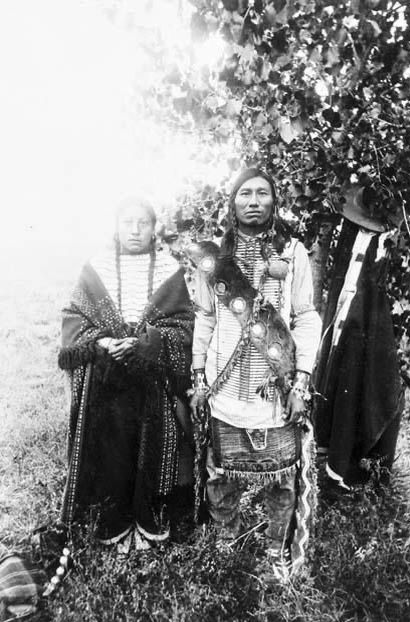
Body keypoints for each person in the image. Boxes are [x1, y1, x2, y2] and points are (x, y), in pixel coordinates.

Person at [190, 168, 321, 581]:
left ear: (273, 202)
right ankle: (225, 544)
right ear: (232, 204)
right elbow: (205, 319)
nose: (252, 201)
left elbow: (305, 317)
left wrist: (300, 380)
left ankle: (274, 551)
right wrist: (198, 377)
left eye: (262, 193)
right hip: (226, 388)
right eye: (244, 193)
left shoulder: (294, 252)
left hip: (276, 390)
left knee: (281, 480)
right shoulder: (215, 261)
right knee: (220, 473)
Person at [57, 197, 194, 555]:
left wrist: (148, 343)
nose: (135, 230)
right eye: (127, 222)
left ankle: (149, 515)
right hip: (106, 382)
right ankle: (114, 519)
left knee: (150, 443)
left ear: (154, 229)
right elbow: (74, 319)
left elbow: (182, 324)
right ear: (116, 227)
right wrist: (102, 342)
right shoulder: (95, 268)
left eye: (143, 223)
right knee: (112, 449)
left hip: (153, 381)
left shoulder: (169, 269)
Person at [313, 186, 404, 491]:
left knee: (361, 382)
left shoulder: (386, 245)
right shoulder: (350, 233)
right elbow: (343, 274)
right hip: (342, 317)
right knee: (336, 379)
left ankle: (350, 462)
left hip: (365, 325)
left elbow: (374, 287)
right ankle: (330, 451)